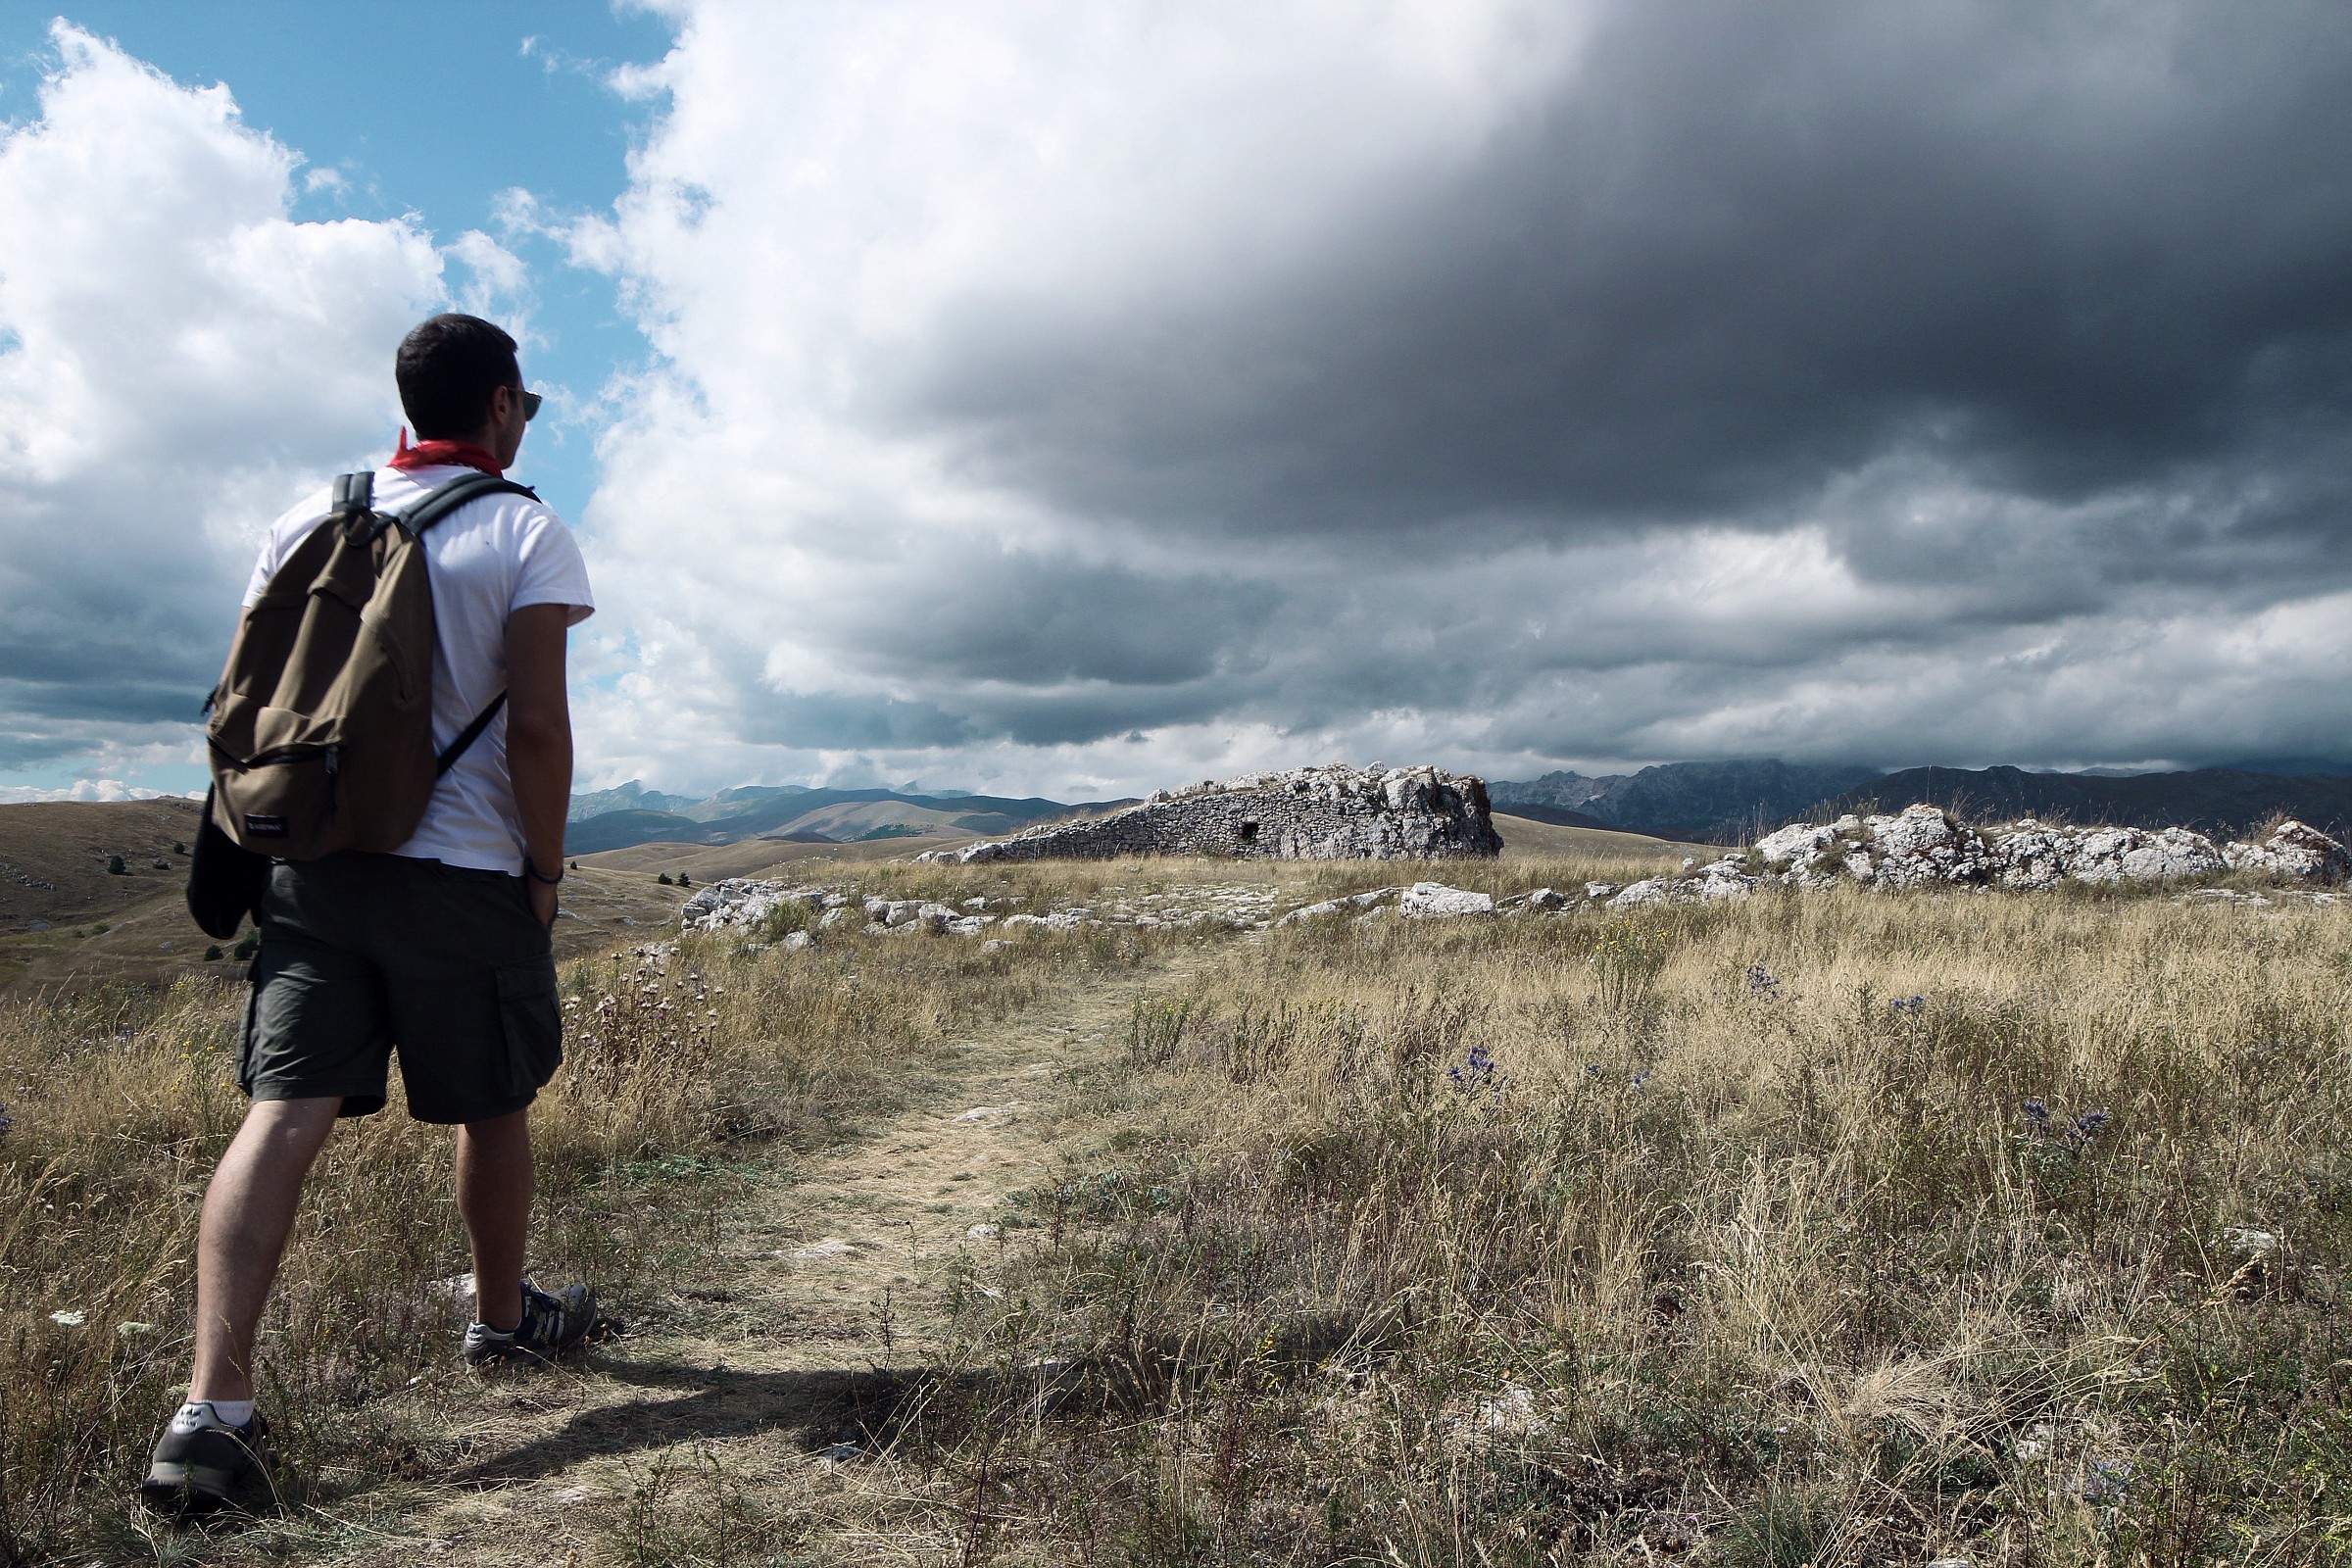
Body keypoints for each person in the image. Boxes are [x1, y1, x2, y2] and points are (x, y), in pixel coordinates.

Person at [142, 315, 599, 1516]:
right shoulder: (524, 530)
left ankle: (211, 1414)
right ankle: (503, 1321)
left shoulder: (307, 517)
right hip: (465, 877)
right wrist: (544, 867)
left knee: (280, 1114)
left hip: (319, 869)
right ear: (501, 405)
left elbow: (250, 689)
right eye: (527, 405)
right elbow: (541, 728)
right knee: (491, 1105)